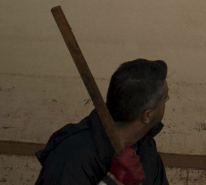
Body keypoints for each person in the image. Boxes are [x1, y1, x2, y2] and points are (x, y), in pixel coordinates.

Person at [34, 59, 171, 185]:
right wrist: (112, 183)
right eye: (165, 98)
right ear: (147, 115)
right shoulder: (72, 157)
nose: (168, 99)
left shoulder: (144, 146)